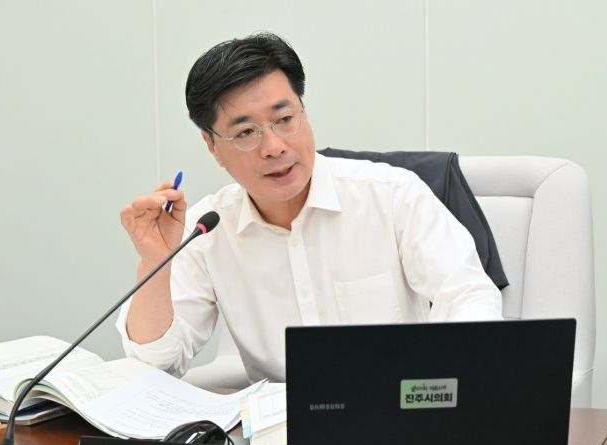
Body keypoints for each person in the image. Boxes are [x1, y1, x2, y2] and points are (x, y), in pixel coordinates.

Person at [116, 32, 502, 382]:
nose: (274, 147)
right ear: (212, 145)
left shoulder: (392, 195)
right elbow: (156, 366)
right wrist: (155, 263)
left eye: (284, 119)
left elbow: (469, 299)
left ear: (304, 111)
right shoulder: (207, 230)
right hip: (281, 431)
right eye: (246, 132)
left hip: (395, 413)